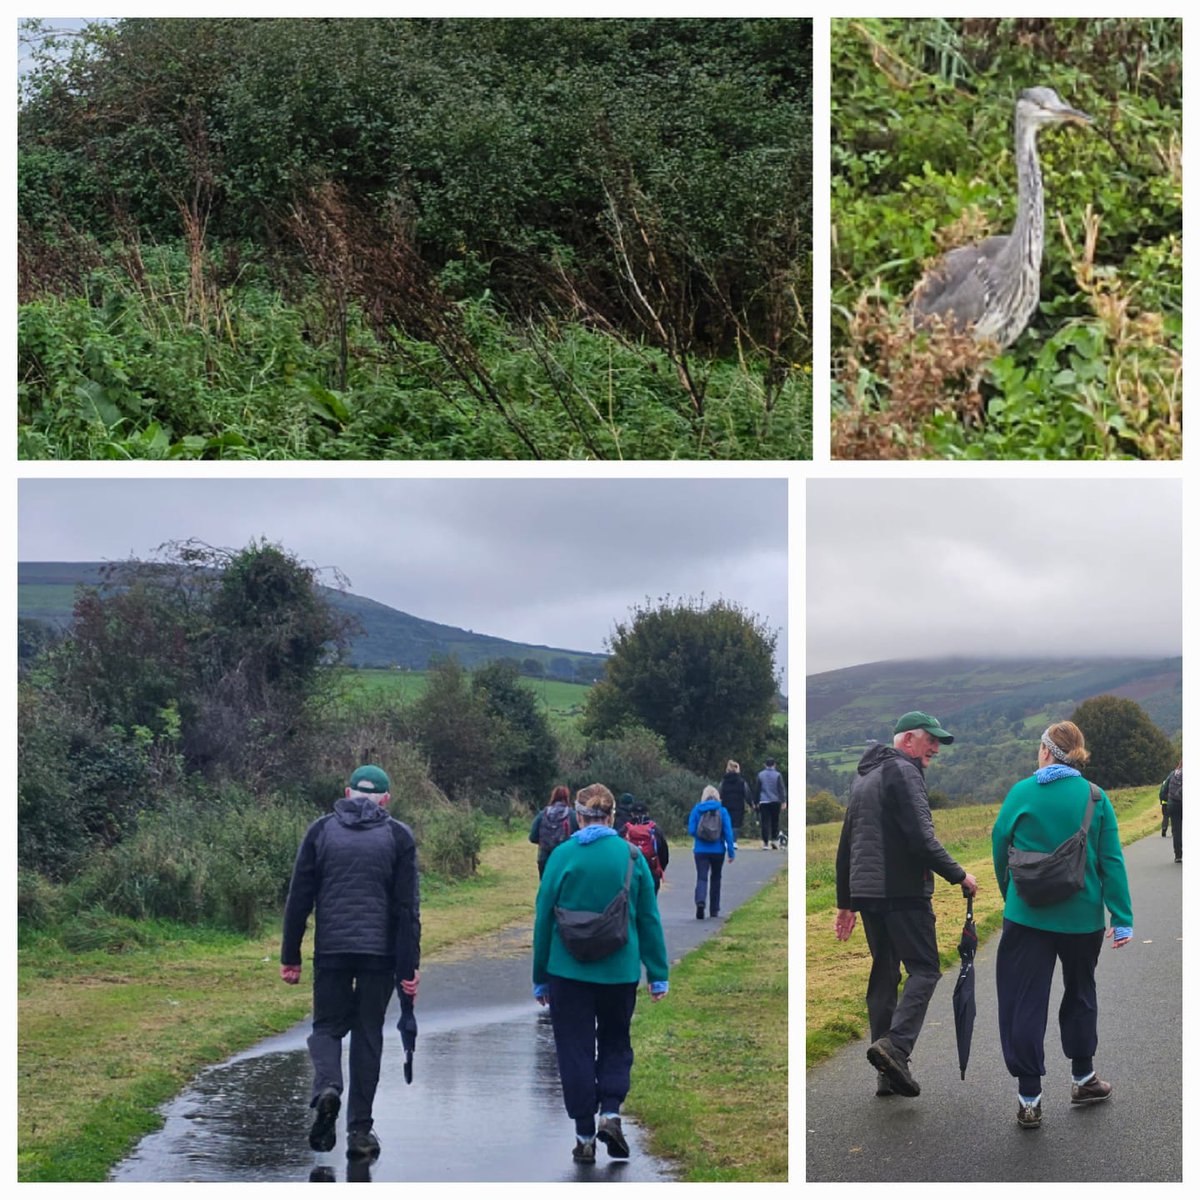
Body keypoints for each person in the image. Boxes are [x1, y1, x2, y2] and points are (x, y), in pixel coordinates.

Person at [991, 721, 1133, 1130]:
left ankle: (1029, 1098)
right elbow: (1111, 860)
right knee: (1081, 991)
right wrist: (1120, 917)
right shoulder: (1095, 797)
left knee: (1024, 1001)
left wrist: (1011, 896)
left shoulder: (1021, 792)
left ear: (1047, 751)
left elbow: (1001, 850)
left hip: (1026, 917)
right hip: (1082, 918)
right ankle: (1083, 1078)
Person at [834, 712, 978, 1099]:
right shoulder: (904, 771)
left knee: (884, 975)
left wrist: (846, 902)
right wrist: (960, 875)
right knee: (925, 969)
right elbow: (921, 839)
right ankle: (895, 1048)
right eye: (931, 740)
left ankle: (887, 1075)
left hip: (869, 894)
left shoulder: (865, 774)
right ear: (909, 739)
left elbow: (846, 842)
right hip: (902, 891)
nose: (934, 749)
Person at [281, 764, 421, 1160]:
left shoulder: (320, 830)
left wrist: (290, 956)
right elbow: (407, 910)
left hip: (332, 951)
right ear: (386, 799)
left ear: (346, 793)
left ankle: (328, 1087)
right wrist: (408, 970)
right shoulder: (398, 835)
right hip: (380, 955)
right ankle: (360, 1132)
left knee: (326, 1027)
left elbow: (299, 897)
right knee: (368, 1035)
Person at [532, 783, 669, 1164]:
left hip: (567, 971)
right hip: (619, 971)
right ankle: (610, 1111)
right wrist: (657, 973)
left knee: (573, 1049)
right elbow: (648, 917)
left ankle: (584, 1135)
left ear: (578, 816)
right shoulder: (630, 857)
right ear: (612, 817)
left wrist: (540, 975)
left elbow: (543, 918)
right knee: (615, 1041)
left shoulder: (562, 855)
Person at [688, 784, 736, 919]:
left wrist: (701, 836)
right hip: (718, 850)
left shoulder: (697, 809)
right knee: (716, 878)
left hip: (700, 850)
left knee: (702, 877)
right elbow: (728, 833)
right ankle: (714, 909)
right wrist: (731, 852)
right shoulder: (722, 811)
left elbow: (691, 830)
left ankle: (700, 902)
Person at [620, 798, 670, 893]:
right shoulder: (655, 829)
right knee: (650, 904)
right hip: (651, 873)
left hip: (630, 875)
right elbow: (664, 854)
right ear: (647, 813)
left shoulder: (625, 829)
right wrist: (659, 871)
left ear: (632, 814)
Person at [530, 784, 579, 878]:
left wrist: (545, 842)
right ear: (567, 798)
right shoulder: (572, 815)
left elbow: (533, 837)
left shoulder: (542, 814)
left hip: (545, 858)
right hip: (566, 859)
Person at [756, 758, 788, 849]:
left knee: (765, 822)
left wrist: (756, 801)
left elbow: (758, 789)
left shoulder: (760, 775)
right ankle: (774, 840)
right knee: (775, 821)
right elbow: (781, 789)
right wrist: (783, 801)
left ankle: (765, 843)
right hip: (775, 801)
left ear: (765, 765)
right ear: (774, 765)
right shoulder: (778, 775)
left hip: (763, 801)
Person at [718, 760, 752, 836]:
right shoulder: (742, 782)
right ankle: (733, 841)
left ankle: (726, 839)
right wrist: (751, 804)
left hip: (726, 804)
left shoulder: (723, 782)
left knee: (726, 821)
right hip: (738, 805)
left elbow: (719, 793)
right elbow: (747, 793)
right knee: (736, 824)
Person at [1164, 759, 1182, 863]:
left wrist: (1166, 801)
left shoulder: (1173, 774)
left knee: (1177, 830)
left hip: (1174, 804)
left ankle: (1178, 855)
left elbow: (1164, 790)